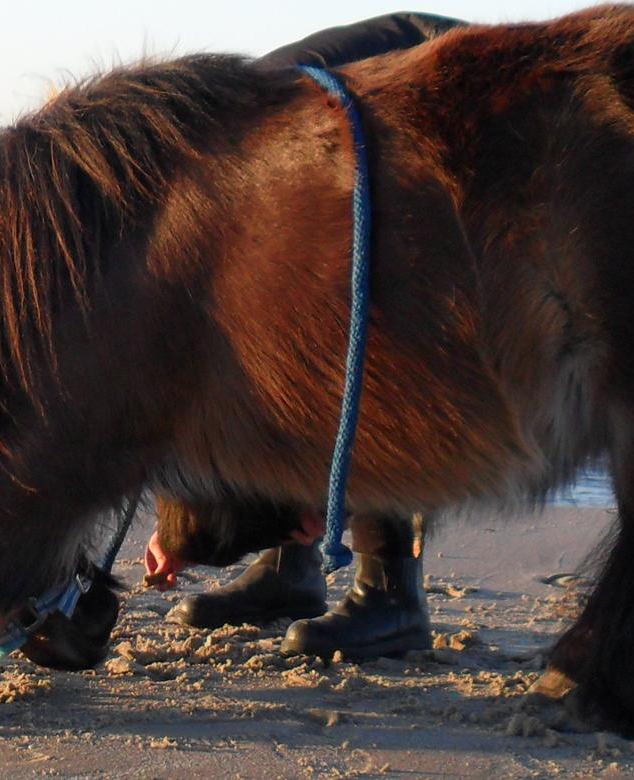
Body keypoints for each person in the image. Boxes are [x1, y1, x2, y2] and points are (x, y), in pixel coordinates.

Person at [161, 12, 466, 661]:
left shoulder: (250, 192)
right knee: (280, 359)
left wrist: (325, 496)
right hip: (335, 144)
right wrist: (178, 523)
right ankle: (287, 573)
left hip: (449, 99)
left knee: (378, 343)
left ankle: (392, 595)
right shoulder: (204, 222)